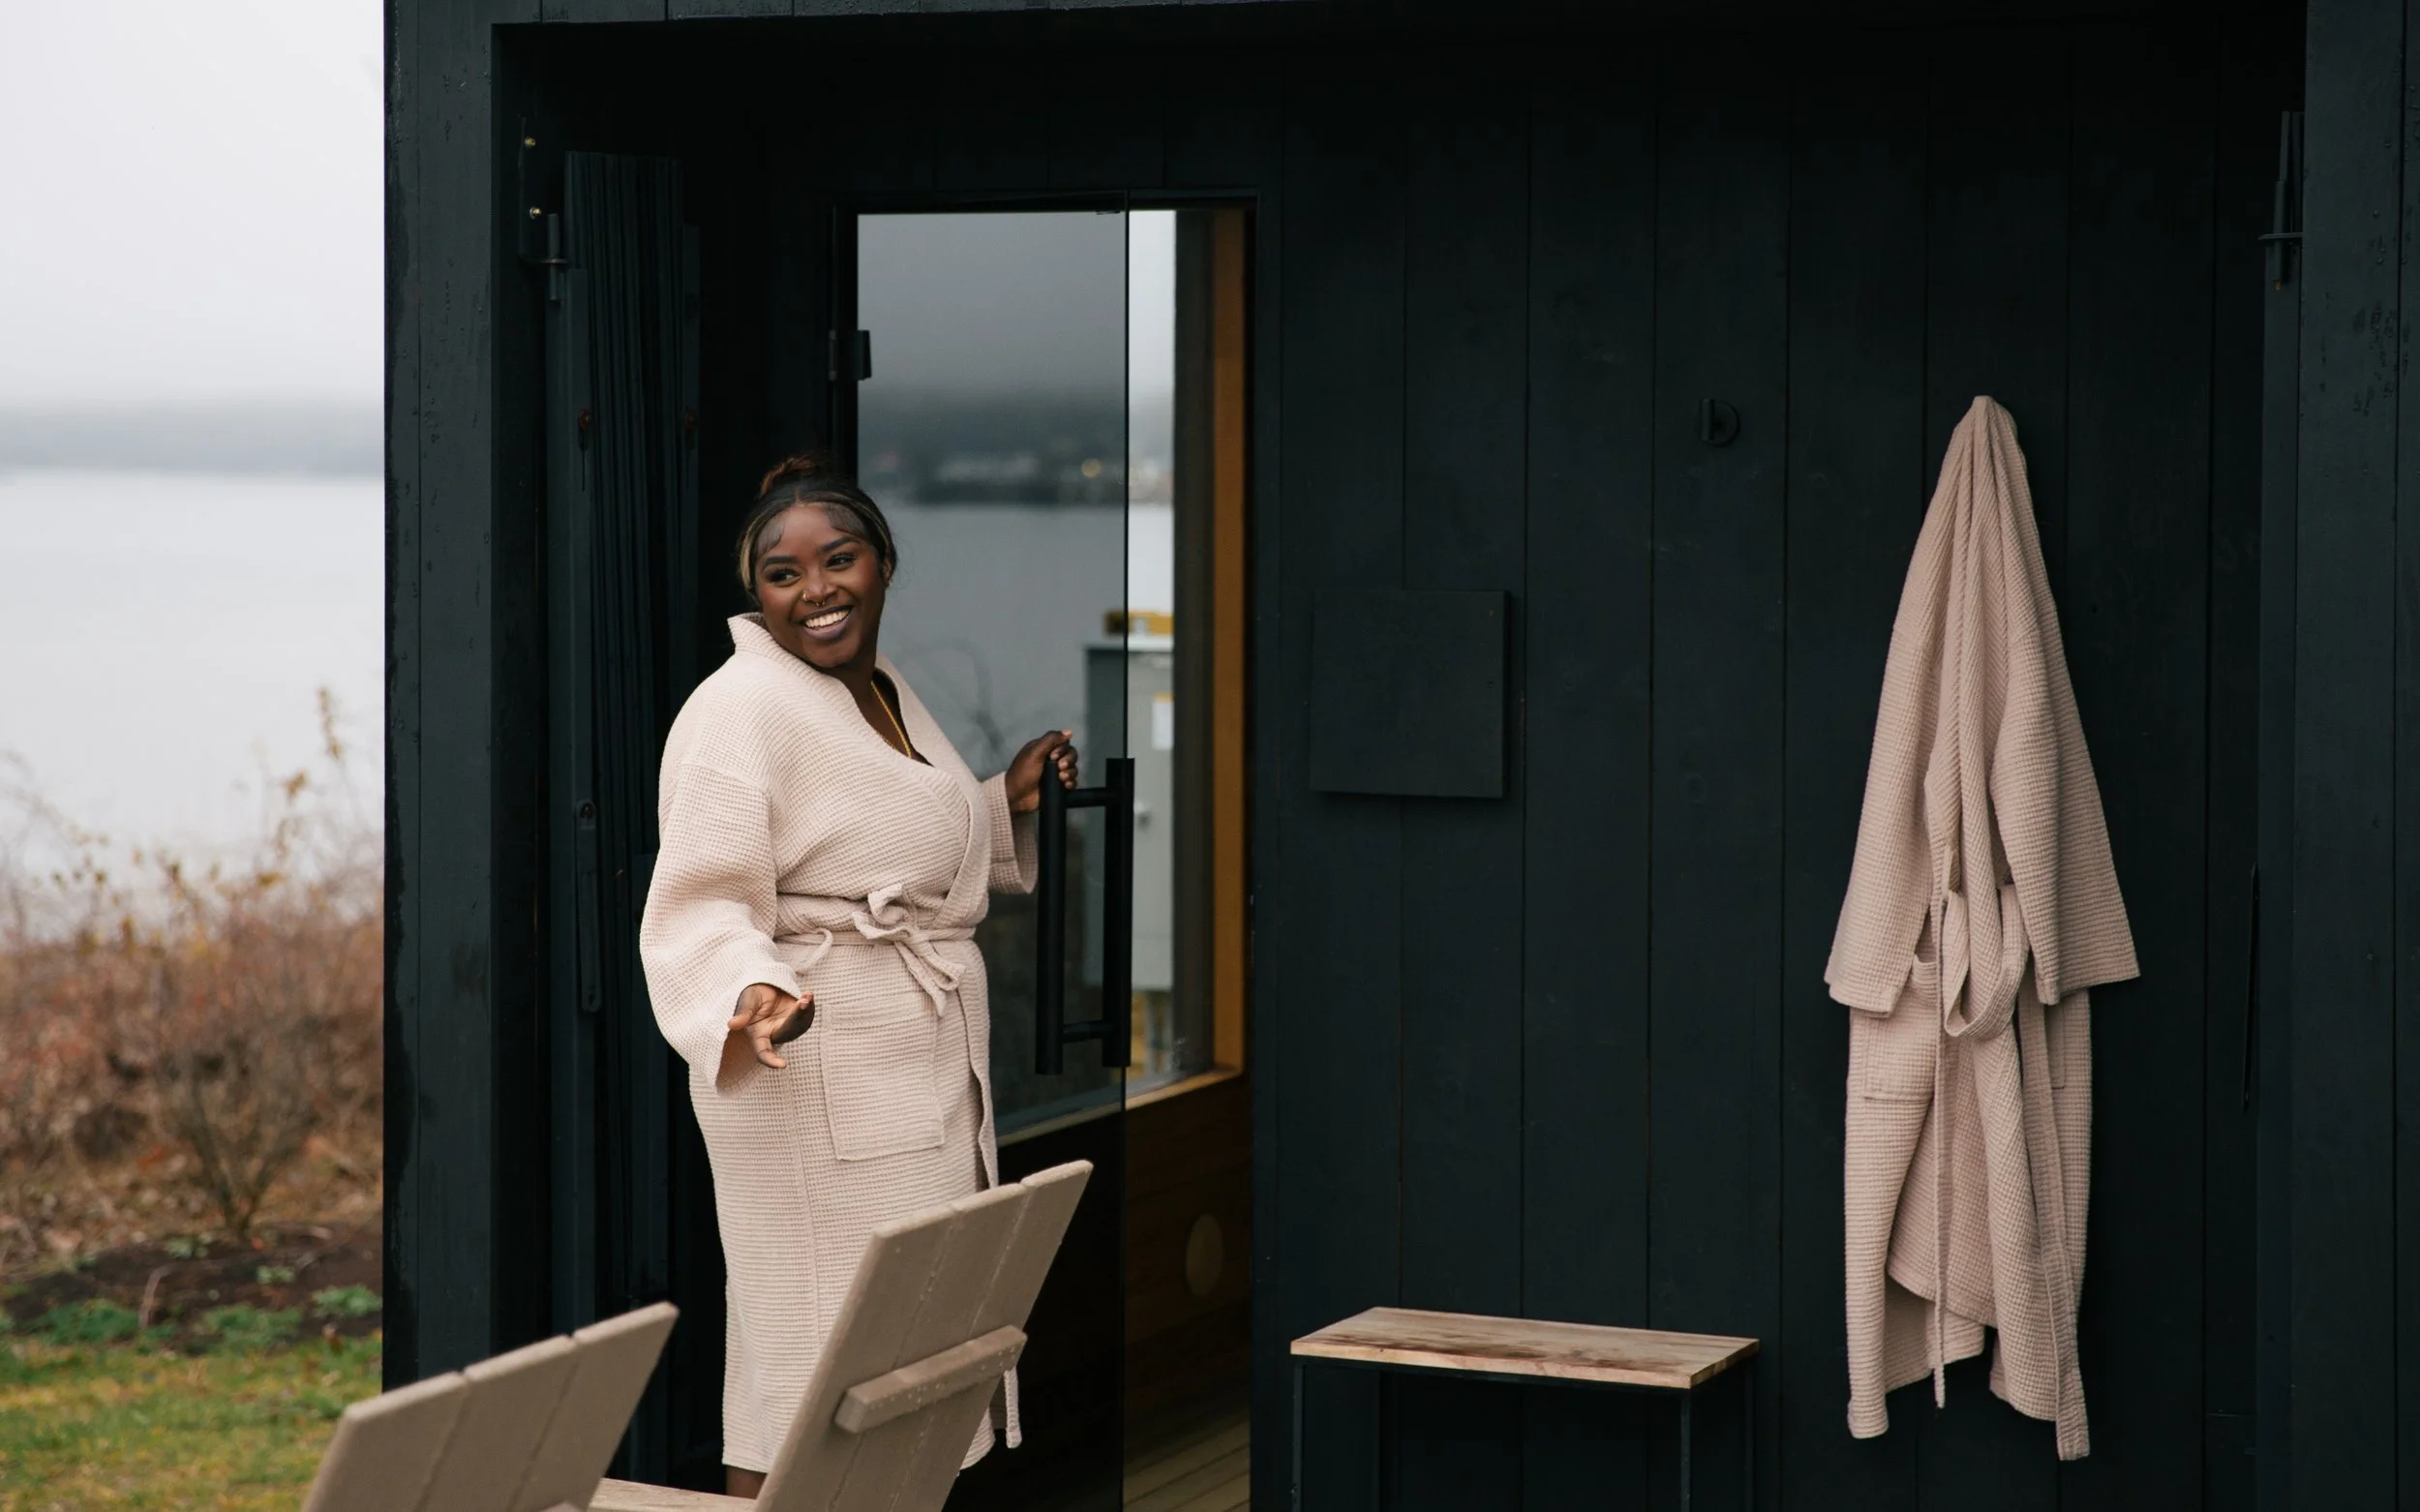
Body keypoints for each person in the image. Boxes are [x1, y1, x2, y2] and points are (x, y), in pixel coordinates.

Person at [638, 453, 1077, 1497]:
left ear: (885, 562)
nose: (816, 590)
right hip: (805, 1062)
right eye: (784, 574)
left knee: (903, 1349)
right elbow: (701, 895)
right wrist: (746, 992)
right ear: (757, 591)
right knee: (807, 1364)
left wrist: (992, 798)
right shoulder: (737, 708)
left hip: (905, 1060)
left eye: (838, 560)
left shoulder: (876, 691)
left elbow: (882, 839)